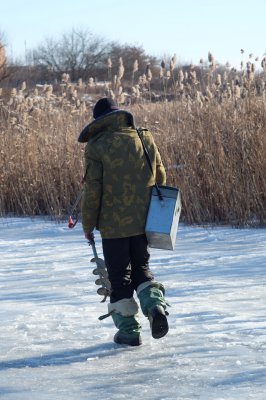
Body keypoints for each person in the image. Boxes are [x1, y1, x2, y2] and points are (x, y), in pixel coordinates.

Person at [78, 97, 169, 346]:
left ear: (99, 121)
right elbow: (160, 176)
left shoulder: (96, 146)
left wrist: (88, 225)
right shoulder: (143, 137)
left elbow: (93, 191)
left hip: (113, 226)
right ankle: (155, 308)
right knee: (141, 268)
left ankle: (129, 331)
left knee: (119, 277)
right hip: (143, 222)